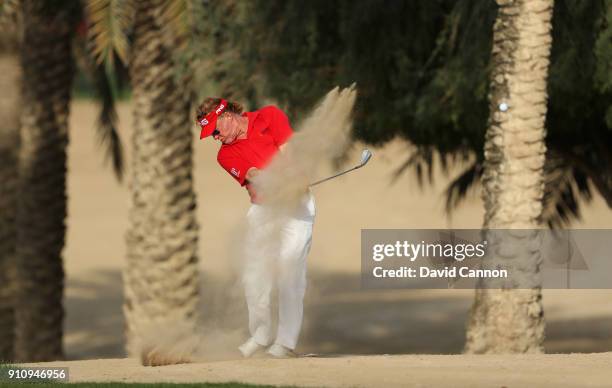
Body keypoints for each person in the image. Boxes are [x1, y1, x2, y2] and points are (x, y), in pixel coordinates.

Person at [195, 97, 315, 358]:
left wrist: (294, 178)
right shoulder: (225, 154)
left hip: (298, 208)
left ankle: (285, 343)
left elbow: (289, 149)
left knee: (290, 271)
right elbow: (252, 174)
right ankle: (260, 336)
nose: (214, 137)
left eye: (215, 130)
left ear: (226, 116)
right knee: (254, 275)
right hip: (264, 209)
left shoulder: (269, 116)